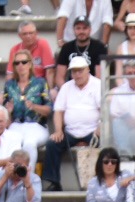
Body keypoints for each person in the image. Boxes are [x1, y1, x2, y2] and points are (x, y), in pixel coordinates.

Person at [43, 54, 100, 192]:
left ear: (88, 70)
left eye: (80, 70)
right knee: (52, 144)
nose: (78, 74)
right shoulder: (66, 87)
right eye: (74, 71)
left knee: (106, 144)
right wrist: (58, 130)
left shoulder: (98, 84)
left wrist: (99, 128)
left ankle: (100, 182)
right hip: (71, 131)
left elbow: (105, 111)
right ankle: (54, 182)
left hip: (93, 131)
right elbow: (58, 111)